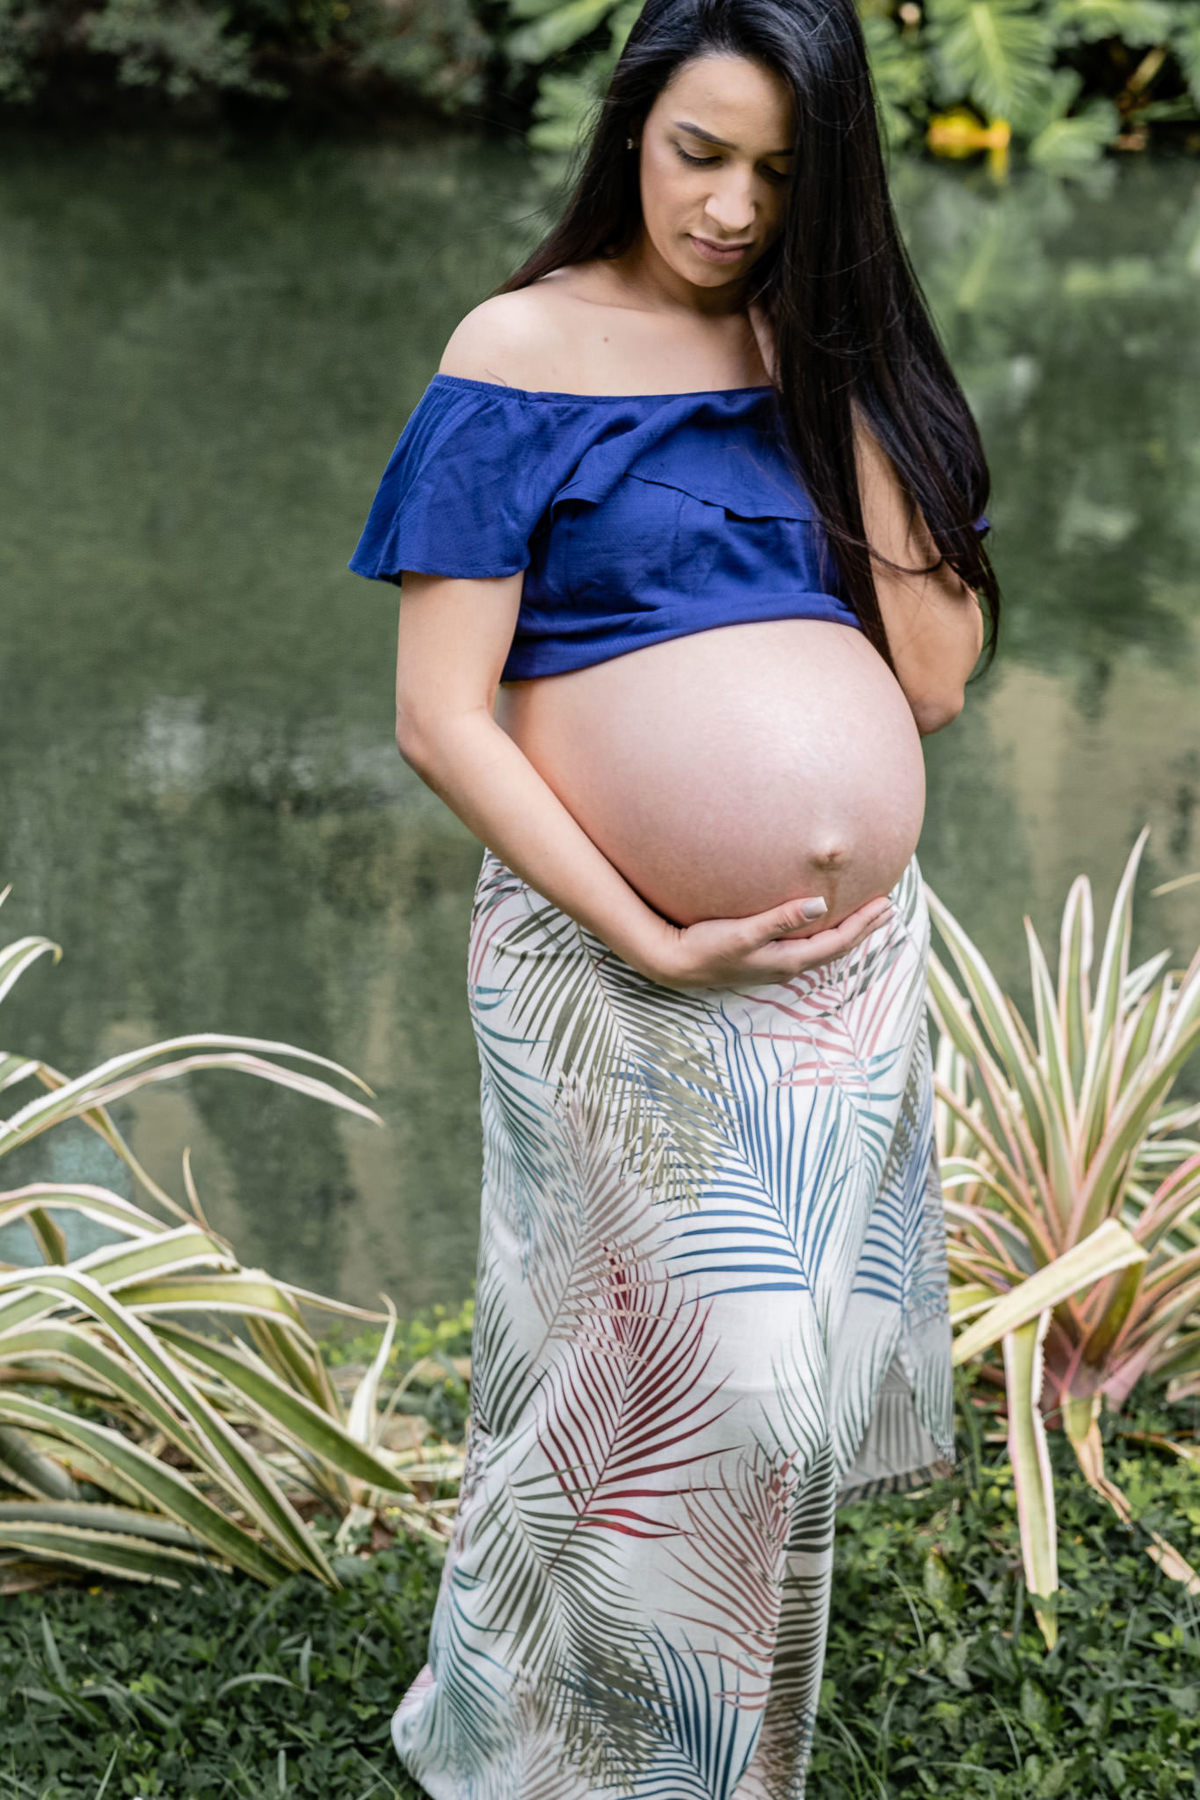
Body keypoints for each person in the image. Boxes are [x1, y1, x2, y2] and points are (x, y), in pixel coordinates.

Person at [349, 0, 999, 1792]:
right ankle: (514, 1734)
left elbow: (932, 679)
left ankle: (693, 1764)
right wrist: (646, 925)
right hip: (612, 961)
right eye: (697, 151)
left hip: (830, 979)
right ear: (631, 125)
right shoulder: (523, 345)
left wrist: (841, 365)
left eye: (781, 174)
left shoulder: (823, 358)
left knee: (762, 1413)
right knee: (666, 1384)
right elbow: (436, 713)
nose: (725, 205)